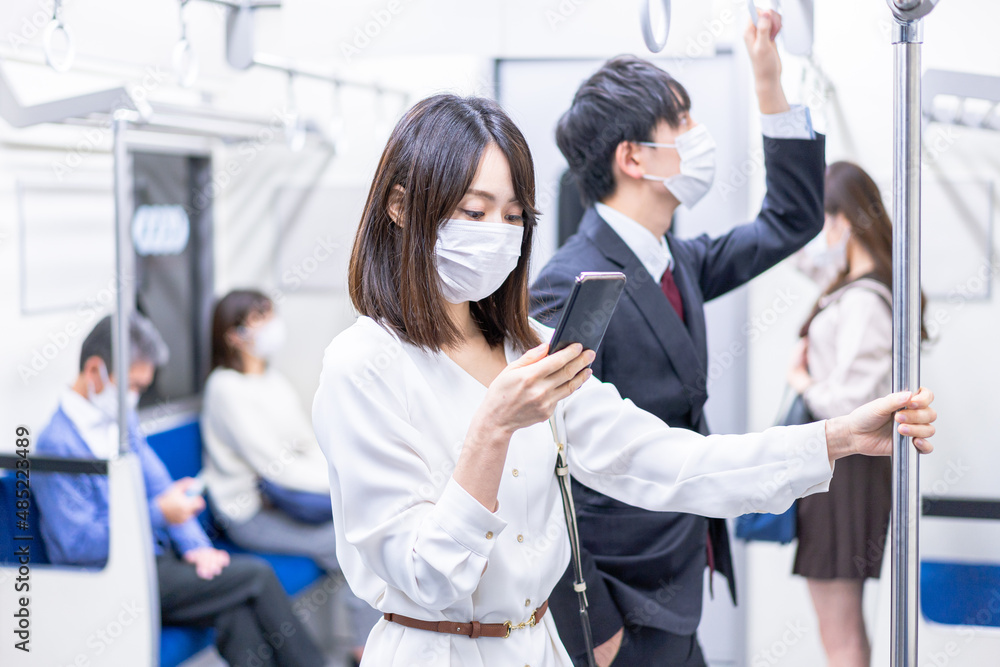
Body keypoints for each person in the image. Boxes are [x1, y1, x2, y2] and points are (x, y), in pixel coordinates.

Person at [309, 92, 936, 667]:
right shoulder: (362, 366)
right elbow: (428, 576)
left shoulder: (530, 346)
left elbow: (667, 460)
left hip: (538, 647)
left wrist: (836, 438)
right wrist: (493, 428)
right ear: (400, 206)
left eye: (513, 217)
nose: (497, 236)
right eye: (475, 211)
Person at [529, 11, 822, 665]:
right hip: (617, 603)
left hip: (678, 580)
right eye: (681, 122)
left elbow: (792, 218)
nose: (698, 136)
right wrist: (593, 622)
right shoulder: (567, 282)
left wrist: (769, 84)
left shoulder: (677, 260)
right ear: (633, 157)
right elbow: (540, 468)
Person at [33, 313, 325, 667]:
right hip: (110, 579)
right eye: (132, 386)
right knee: (256, 576)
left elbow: (163, 488)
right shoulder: (56, 445)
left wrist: (198, 548)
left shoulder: (121, 422)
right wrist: (159, 513)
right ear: (95, 370)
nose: (134, 398)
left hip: (156, 560)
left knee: (236, 611)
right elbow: (78, 545)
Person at [787, 161, 926, 667]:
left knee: (839, 630)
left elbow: (849, 404)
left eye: (820, 219)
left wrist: (801, 381)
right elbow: (798, 254)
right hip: (844, 469)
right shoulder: (850, 283)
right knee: (843, 627)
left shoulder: (865, 299)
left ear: (843, 220)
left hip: (845, 470)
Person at [201, 288, 381, 663]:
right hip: (249, 513)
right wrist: (337, 485)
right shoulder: (224, 388)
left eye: (269, 314)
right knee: (352, 547)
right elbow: (275, 466)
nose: (270, 325)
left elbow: (306, 446)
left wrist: (344, 476)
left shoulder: (272, 380)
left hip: (283, 502)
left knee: (365, 533)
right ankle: (364, 651)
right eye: (258, 318)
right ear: (233, 335)